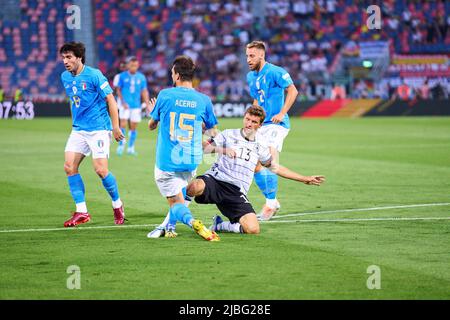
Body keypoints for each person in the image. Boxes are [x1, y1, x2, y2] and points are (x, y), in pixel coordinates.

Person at [187, 105, 325, 234]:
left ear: (260, 125)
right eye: (247, 119)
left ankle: (220, 225)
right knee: (193, 187)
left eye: (254, 122)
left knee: (253, 229)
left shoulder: (261, 145)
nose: (249, 124)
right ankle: (173, 220)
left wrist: (304, 178)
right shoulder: (228, 134)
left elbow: (275, 168)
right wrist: (219, 148)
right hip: (216, 180)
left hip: (236, 190)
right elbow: (205, 148)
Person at [147, 55, 220, 241]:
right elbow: (213, 132)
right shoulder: (203, 100)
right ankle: (168, 227)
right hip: (191, 160)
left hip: (168, 161)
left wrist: (152, 113)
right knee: (182, 194)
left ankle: (194, 223)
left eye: (172, 73)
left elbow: (151, 125)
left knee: (175, 203)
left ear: (177, 75)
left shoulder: (165, 95)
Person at [59, 41, 125, 227]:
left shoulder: (94, 75)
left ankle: (117, 205)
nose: (65, 61)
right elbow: (75, 102)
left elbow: (111, 100)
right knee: (69, 167)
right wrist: (74, 124)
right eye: (63, 57)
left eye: (69, 57)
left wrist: (116, 127)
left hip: (99, 129)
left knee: (101, 170)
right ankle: (82, 212)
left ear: (79, 57)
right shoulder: (65, 77)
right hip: (79, 130)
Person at [245, 40, 299, 221]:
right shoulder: (250, 77)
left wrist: (282, 113)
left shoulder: (276, 72)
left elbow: (293, 91)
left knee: (271, 162)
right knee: (255, 165)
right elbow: (256, 101)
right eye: (247, 56)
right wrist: (251, 123)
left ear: (261, 55)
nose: (248, 59)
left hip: (277, 125)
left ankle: (270, 204)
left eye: (252, 56)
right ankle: (272, 201)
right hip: (262, 125)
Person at [115, 56, 150, 156]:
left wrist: (147, 103)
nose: (133, 67)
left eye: (135, 65)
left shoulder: (141, 77)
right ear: (128, 66)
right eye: (131, 65)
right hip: (125, 105)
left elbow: (144, 91)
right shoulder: (122, 76)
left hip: (136, 105)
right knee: (123, 125)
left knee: (133, 127)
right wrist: (122, 102)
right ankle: (121, 146)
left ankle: (131, 148)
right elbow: (118, 90)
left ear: (138, 65)